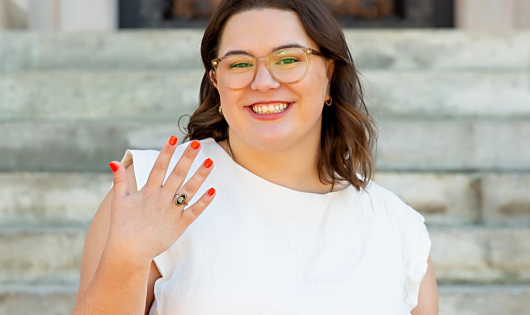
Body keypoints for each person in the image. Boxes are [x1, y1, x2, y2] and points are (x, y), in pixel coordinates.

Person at [72, 0, 438, 314]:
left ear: (329, 72)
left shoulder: (398, 228)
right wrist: (126, 259)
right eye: (240, 64)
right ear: (216, 82)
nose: (263, 81)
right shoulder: (152, 190)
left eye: (289, 59)